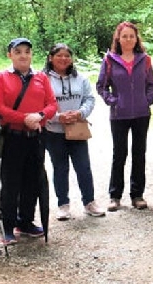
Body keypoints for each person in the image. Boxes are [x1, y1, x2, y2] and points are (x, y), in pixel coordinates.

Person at [0, 38, 58, 245]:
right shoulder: (2, 78)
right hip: (13, 137)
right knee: (11, 182)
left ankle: (25, 221)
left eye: (27, 52)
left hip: (36, 137)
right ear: (10, 55)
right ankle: (7, 226)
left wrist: (39, 116)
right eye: (18, 51)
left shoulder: (41, 77)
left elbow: (52, 104)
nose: (23, 55)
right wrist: (24, 119)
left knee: (33, 180)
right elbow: (0, 107)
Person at [96, 22, 153, 212]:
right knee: (119, 154)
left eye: (132, 36)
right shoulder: (109, 60)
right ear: (118, 39)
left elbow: (151, 84)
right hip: (119, 114)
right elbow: (101, 86)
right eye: (125, 36)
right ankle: (115, 196)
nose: (128, 39)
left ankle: (137, 195)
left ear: (136, 39)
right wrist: (113, 100)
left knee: (139, 153)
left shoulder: (144, 60)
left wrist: (147, 100)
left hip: (141, 113)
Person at [43, 44, 106, 220]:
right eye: (59, 56)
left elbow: (89, 98)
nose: (63, 59)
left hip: (77, 129)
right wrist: (57, 117)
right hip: (54, 131)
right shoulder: (42, 79)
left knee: (83, 167)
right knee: (60, 168)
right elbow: (40, 104)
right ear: (50, 58)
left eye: (67, 56)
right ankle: (63, 205)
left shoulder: (81, 78)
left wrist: (80, 113)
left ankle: (89, 202)